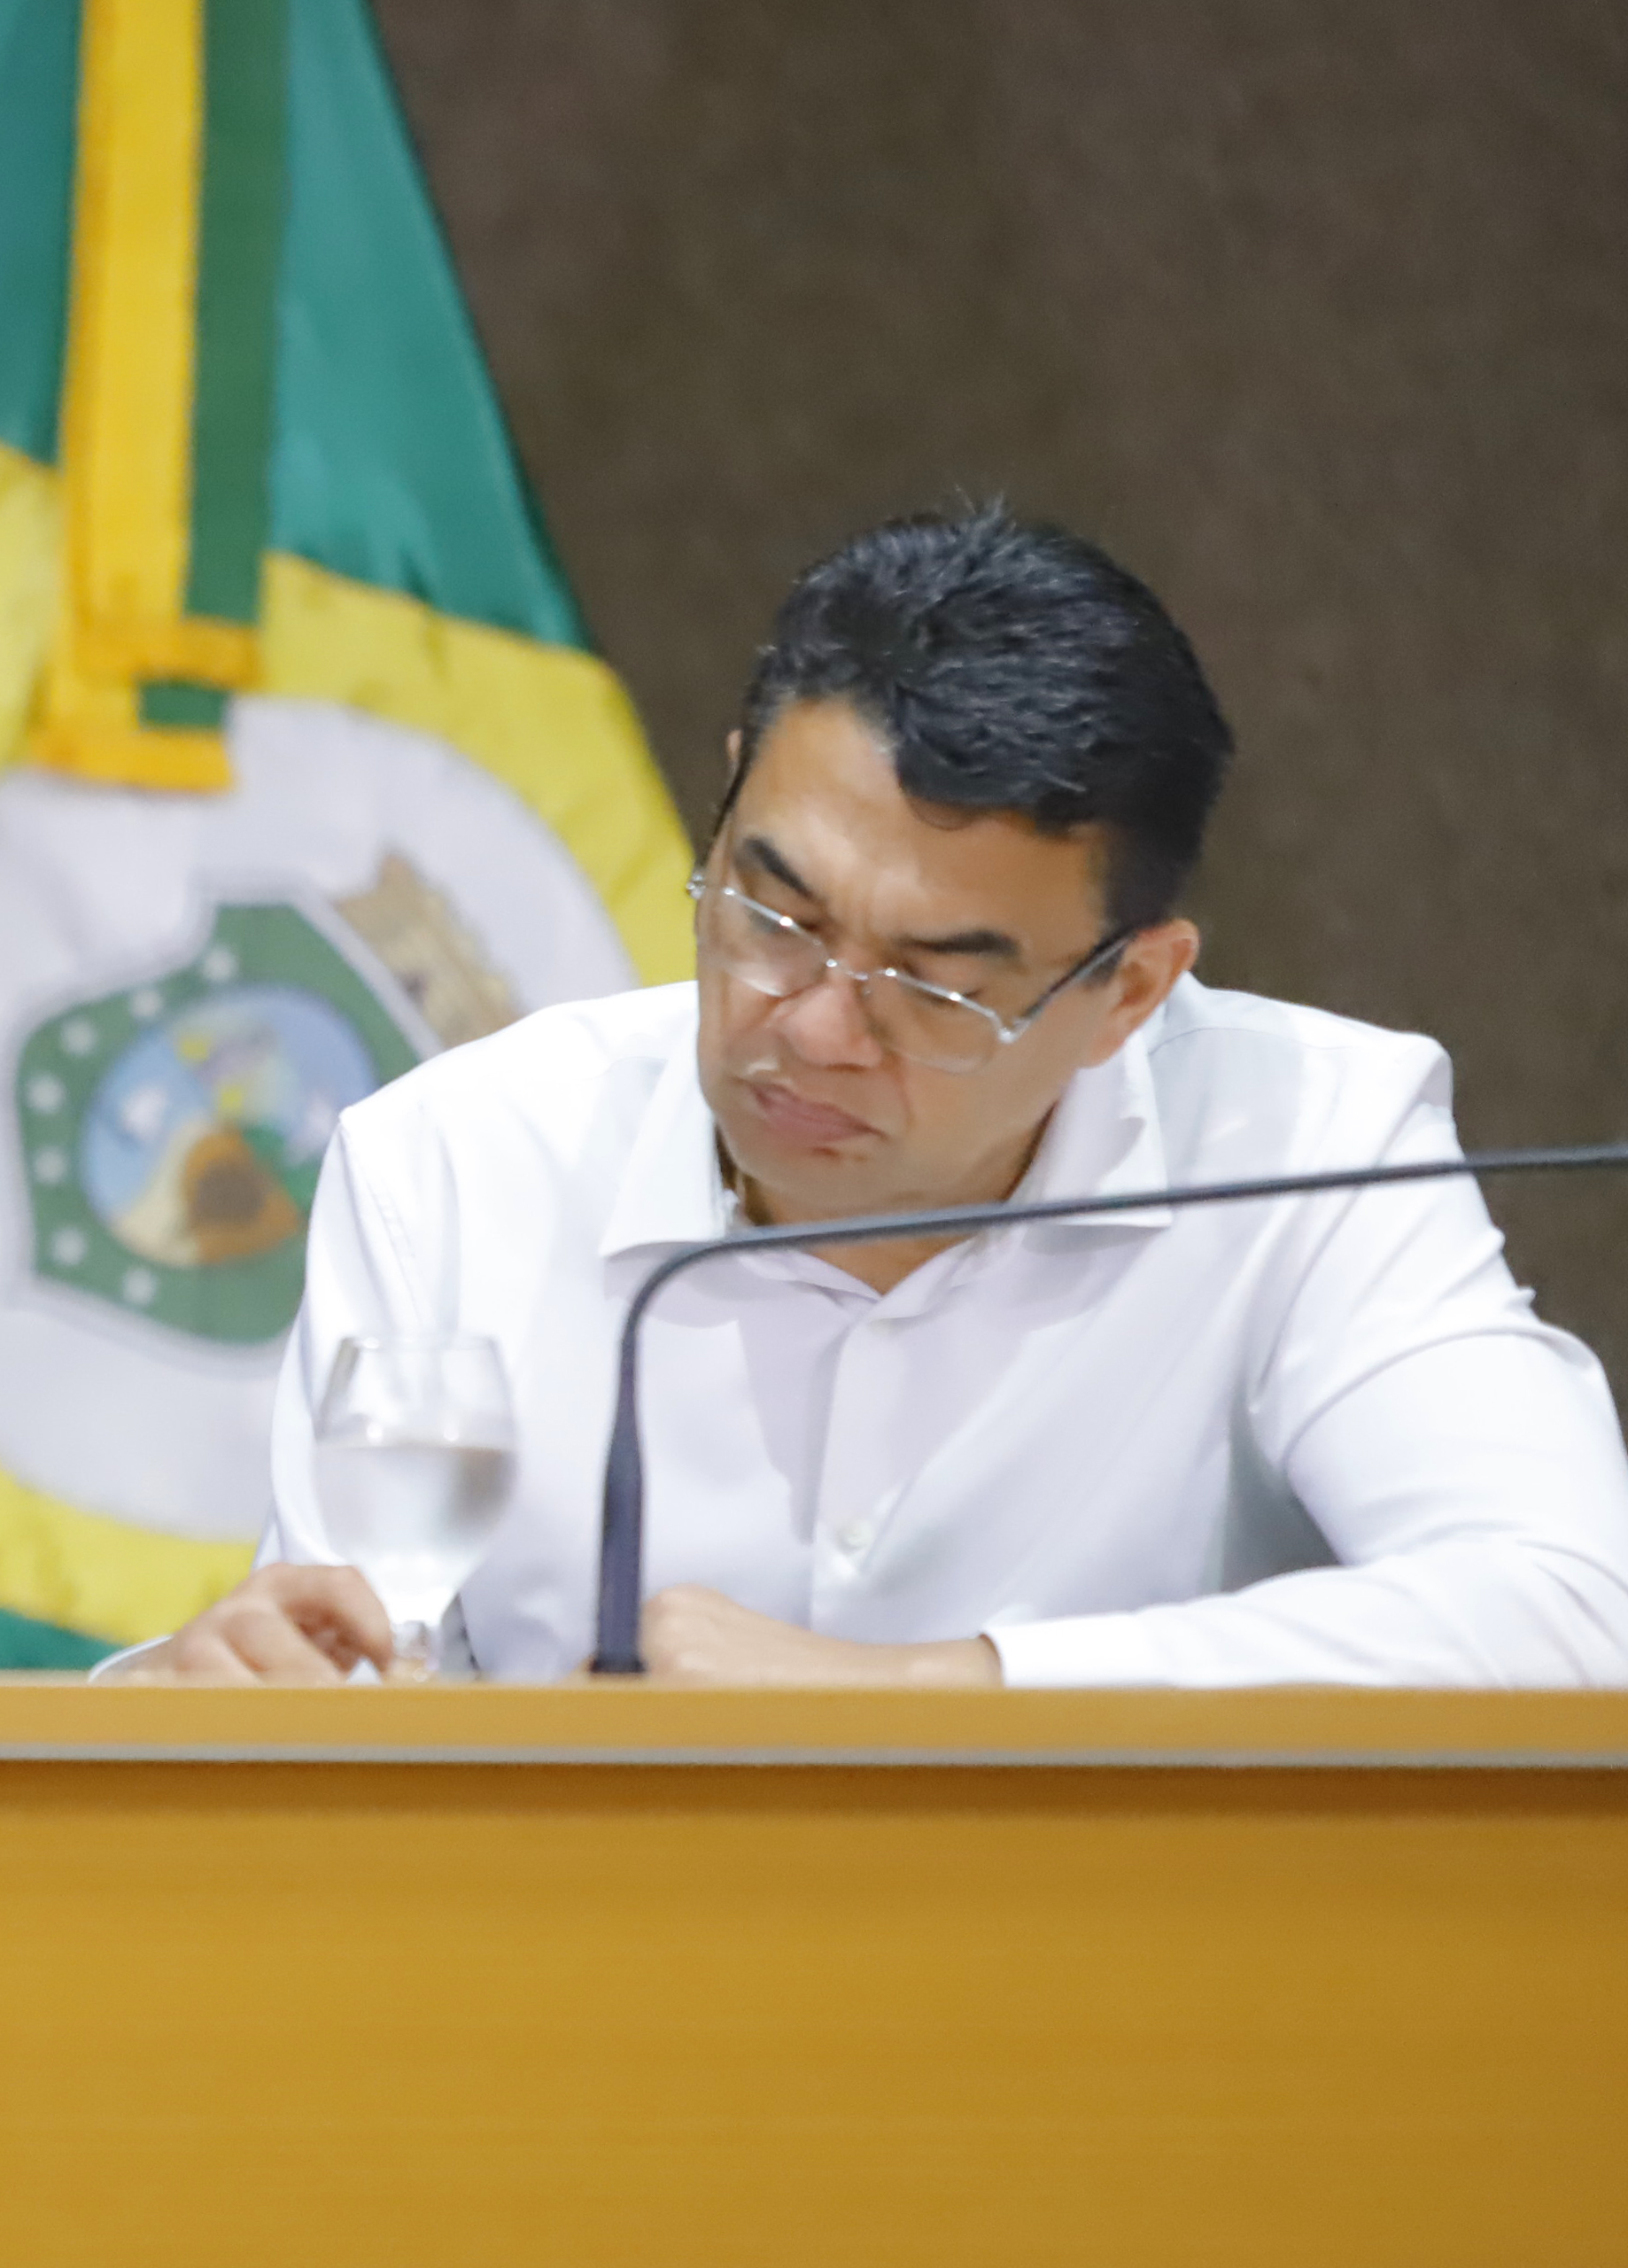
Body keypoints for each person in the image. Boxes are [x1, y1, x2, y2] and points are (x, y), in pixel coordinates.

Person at [119, 505, 1628, 1689]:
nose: (817, 1028)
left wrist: (927, 1692)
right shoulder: (458, 1161)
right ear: (726, 800)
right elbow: (363, 1687)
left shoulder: (1317, 1147)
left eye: (939, 985)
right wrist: (227, 1688)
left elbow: (1569, 1612)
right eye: (773, 915)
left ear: (1131, 992)